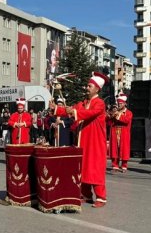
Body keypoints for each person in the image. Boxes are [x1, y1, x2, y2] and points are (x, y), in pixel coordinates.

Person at [52, 72, 109, 207]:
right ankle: (86, 194)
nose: (86, 88)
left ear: (97, 88)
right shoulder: (83, 103)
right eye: (87, 86)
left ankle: (101, 197)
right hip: (83, 140)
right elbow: (70, 110)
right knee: (83, 167)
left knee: (94, 167)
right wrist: (56, 109)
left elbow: (90, 114)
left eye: (89, 86)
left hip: (95, 142)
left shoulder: (99, 103)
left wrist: (74, 112)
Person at [108, 93, 133, 172]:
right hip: (115, 131)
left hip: (124, 132)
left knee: (124, 149)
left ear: (125, 104)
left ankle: (124, 166)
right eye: (118, 103)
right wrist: (110, 115)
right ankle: (115, 166)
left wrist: (117, 115)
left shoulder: (129, 112)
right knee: (114, 148)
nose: (119, 105)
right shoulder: (115, 111)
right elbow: (109, 122)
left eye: (121, 103)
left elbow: (126, 120)